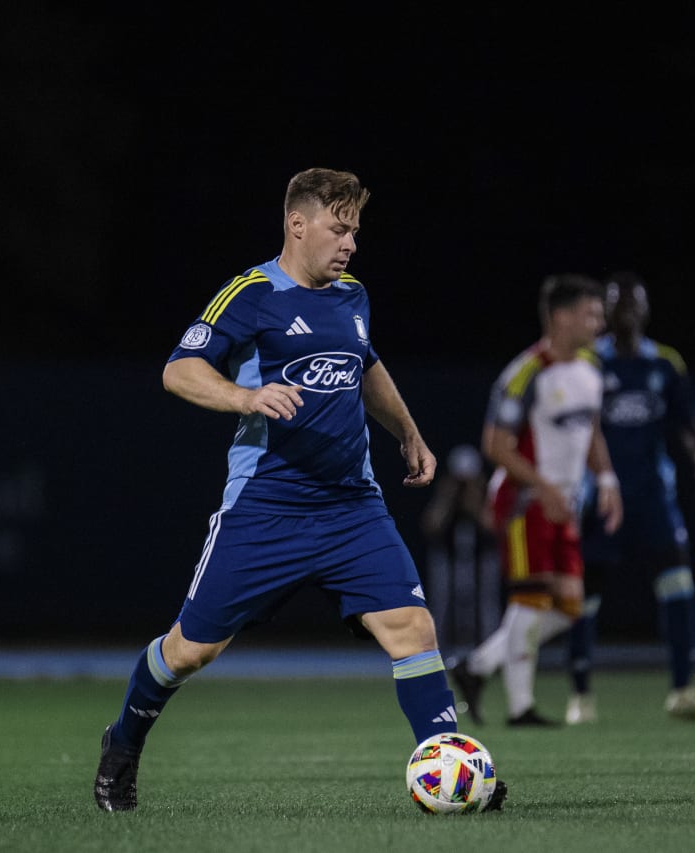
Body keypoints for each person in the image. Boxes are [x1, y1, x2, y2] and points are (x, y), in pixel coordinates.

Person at [93, 168, 506, 812]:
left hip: (352, 508)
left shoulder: (353, 296)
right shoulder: (252, 293)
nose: (350, 244)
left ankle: (454, 769)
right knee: (189, 651)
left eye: (355, 233)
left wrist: (409, 433)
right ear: (298, 224)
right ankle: (122, 743)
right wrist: (244, 394)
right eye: (339, 230)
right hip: (266, 508)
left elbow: (365, 367)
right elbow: (179, 369)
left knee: (412, 629)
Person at [450, 274, 622, 727]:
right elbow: (495, 444)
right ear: (561, 317)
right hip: (526, 501)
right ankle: (521, 707)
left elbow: (592, 432)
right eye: (591, 314)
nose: (600, 322)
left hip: (564, 503)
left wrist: (607, 481)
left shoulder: (590, 369)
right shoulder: (526, 372)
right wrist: (544, 488)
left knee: (569, 607)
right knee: (530, 601)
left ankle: (476, 666)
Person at [569, 270, 695, 723]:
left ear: (646, 309)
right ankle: (581, 696)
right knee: (585, 597)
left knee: (678, 587)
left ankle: (683, 688)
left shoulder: (665, 364)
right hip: (600, 498)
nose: (625, 312)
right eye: (616, 304)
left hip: (655, 497)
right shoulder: (587, 363)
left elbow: (690, 424)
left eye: (632, 303)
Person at [420, 444, 500, 654]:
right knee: (441, 602)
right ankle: (436, 652)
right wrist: (447, 497)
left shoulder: (486, 491)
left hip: (481, 556)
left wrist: (475, 499)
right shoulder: (447, 493)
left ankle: (488, 653)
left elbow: (492, 526)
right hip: (449, 555)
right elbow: (431, 524)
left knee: (487, 605)